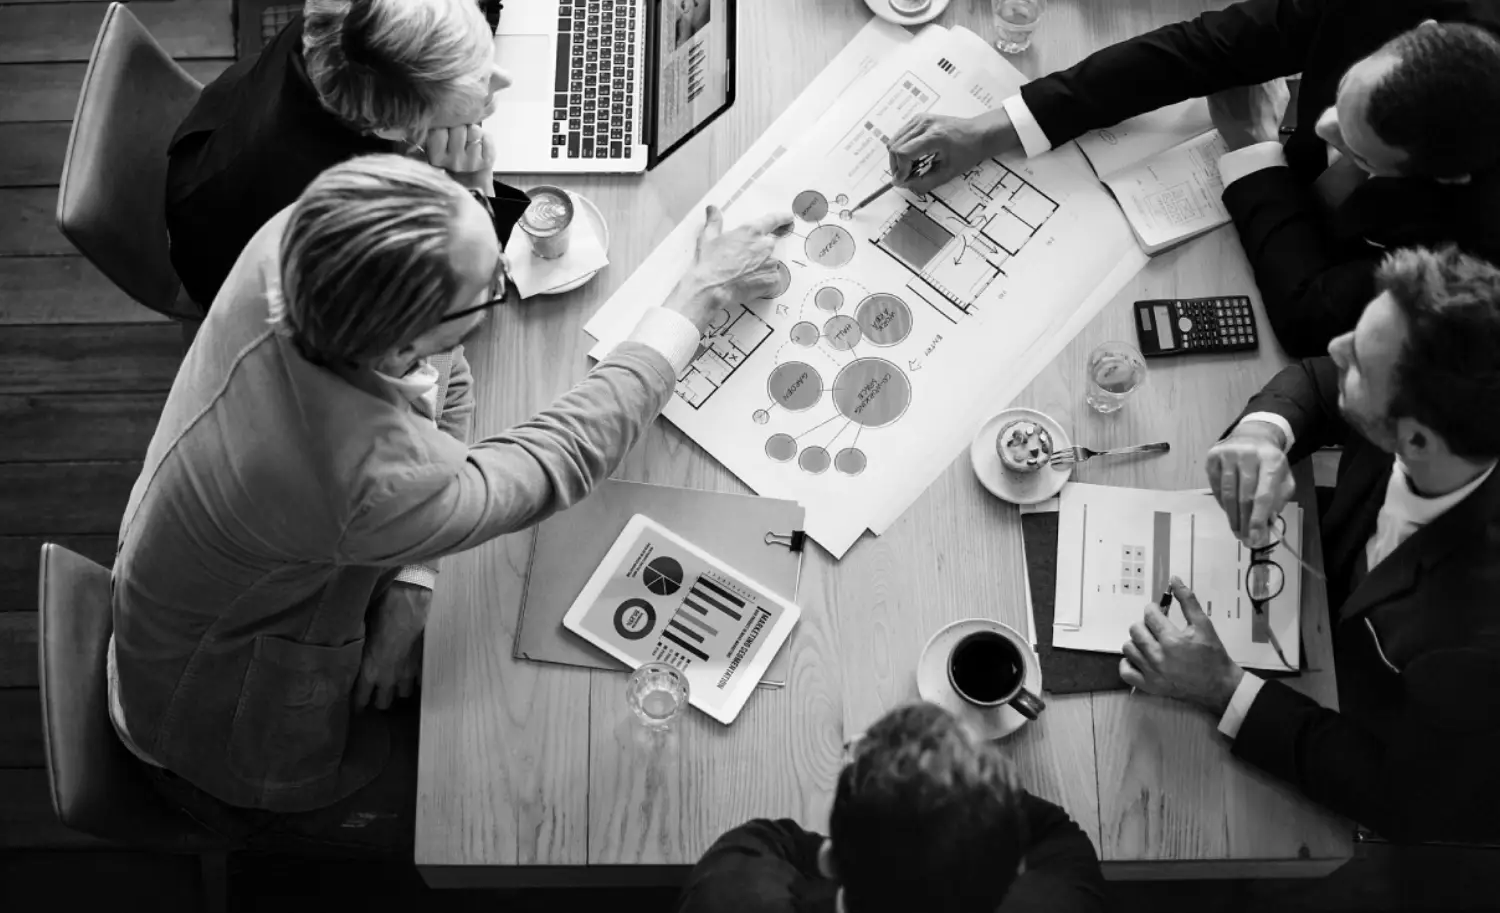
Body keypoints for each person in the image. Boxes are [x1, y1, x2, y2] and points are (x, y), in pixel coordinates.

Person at [110, 152, 792, 852]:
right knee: (459, 804)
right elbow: (554, 459)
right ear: (405, 332)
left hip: (194, 567)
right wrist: (699, 292)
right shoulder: (365, 477)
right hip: (215, 705)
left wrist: (415, 570)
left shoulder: (308, 241)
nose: (505, 268)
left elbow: (444, 375)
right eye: (492, 286)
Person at [1117, 245, 1500, 843]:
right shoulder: (1447, 414)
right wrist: (1260, 434)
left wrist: (1223, 687)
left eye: (1360, 366)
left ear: (1416, 440)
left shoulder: (1473, 644)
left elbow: (1409, 797)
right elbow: (1320, 382)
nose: (1337, 348)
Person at [886, 2, 1500, 358]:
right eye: (1340, 100)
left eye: (1358, 153)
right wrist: (994, 128)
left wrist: (1257, 153)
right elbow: (1207, 48)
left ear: (1449, 177)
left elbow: (1313, 317)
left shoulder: (1477, 240)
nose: (1318, 128)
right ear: (1421, 36)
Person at [165, 0, 530, 308]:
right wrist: (473, 191)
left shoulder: (353, 19)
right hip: (258, 285)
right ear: (390, 129)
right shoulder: (350, 217)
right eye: (480, 83)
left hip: (233, 122)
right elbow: (455, 303)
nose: (503, 79)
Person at [674, 702, 1106, 913]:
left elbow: (771, 840)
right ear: (1012, 870)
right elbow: (1055, 833)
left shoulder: (730, 897)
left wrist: (878, 817)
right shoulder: (1062, 901)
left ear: (830, 859)